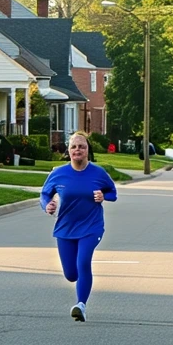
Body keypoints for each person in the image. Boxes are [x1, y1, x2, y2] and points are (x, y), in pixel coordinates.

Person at [40, 131, 118, 321]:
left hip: (91, 227)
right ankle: (78, 290)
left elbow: (112, 193)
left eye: (81, 146)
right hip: (65, 228)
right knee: (71, 274)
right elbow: (44, 194)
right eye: (74, 146)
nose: (78, 150)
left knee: (83, 262)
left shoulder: (98, 173)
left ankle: (81, 305)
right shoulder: (58, 173)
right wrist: (47, 205)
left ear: (87, 150)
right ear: (69, 150)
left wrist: (103, 196)